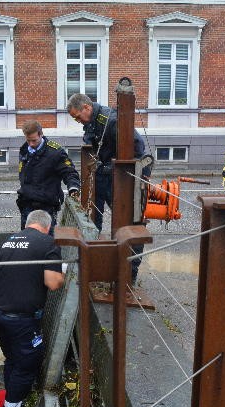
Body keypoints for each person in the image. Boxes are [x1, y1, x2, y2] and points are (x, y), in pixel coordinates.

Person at [0, 209, 65, 407]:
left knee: (12, 359)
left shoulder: (8, 242)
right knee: (27, 364)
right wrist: (62, 273)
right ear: (47, 227)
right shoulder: (48, 244)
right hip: (21, 320)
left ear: (28, 224)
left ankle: (10, 400)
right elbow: (52, 283)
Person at [67, 93, 148, 282]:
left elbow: (138, 149)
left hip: (122, 179)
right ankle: (98, 268)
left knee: (131, 225)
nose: (78, 121)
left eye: (78, 117)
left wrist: (113, 169)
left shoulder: (111, 121)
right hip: (104, 176)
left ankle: (129, 277)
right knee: (94, 219)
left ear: (86, 108)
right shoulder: (92, 121)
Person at [16, 120, 80, 235]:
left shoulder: (55, 152)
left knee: (47, 240)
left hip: (46, 204)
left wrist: (73, 187)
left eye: (34, 140)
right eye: (28, 140)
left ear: (41, 134)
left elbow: (70, 172)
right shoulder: (24, 150)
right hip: (27, 203)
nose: (31, 144)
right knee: (27, 239)